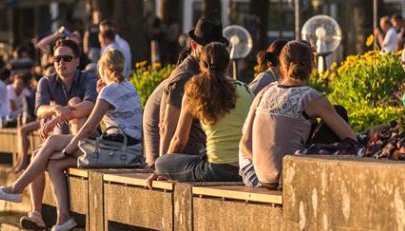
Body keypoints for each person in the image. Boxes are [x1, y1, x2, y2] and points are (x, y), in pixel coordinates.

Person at [0, 48, 140, 231]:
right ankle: (64, 218)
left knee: (52, 141)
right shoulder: (128, 86)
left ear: (103, 68)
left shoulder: (109, 91)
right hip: (126, 149)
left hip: (118, 150)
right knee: (53, 164)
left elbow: (87, 129)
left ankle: (16, 188)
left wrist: (68, 150)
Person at [0, 38, 96, 230]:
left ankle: (18, 190)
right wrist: (55, 109)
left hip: (85, 141)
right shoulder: (46, 81)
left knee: (73, 104)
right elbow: (39, 110)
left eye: (67, 58)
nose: (61, 63)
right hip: (61, 144)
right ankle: (37, 214)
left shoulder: (88, 79)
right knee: (39, 154)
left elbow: (88, 107)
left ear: (77, 61)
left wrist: (59, 116)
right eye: (57, 60)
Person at [240, 40, 356, 189]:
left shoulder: (265, 91)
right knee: (339, 111)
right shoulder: (310, 97)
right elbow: (351, 139)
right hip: (289, 175)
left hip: (262, 177)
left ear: (282, 67)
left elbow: (244, 144)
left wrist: (265, 163)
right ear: (312, 66)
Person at [152, 42, 251, 183]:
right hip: (245, 168)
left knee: (161, 162)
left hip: (215, 170)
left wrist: (165, 170)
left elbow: (179, 141)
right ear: (227, 65)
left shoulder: (195, 90)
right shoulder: (246, 89)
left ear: (201, 65)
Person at [157, 19, 225, 161]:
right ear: (194, 45)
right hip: (187, 156)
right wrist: (162, 168)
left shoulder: (207, 73)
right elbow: (167, 127)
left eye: (218, 47)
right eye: (207, 48)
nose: (213, 53)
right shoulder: (185, 77)